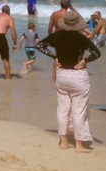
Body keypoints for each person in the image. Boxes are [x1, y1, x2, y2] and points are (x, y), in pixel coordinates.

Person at [36, 11, 101, 152]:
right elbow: (97, 53)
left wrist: (55, 57)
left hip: (62, 75)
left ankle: (63, 142)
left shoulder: (57, 36)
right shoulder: (81, 38)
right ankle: (79, 145)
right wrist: (85, 61)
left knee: (63, 109)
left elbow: (40, 46)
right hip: (78, 76)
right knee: (79, 110)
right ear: (78, 24)